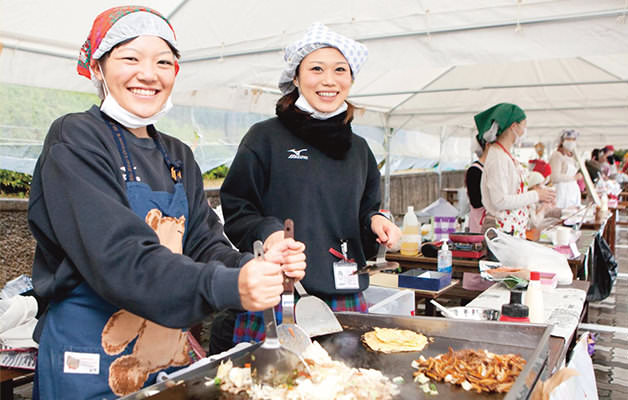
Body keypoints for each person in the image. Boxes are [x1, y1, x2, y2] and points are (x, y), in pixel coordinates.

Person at [27, 7, 306, 399]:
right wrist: (229, 285)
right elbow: (119, 257)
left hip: (164, 355)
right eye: (130, 58)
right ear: (97, 68)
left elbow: (204, 245)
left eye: (163, 62)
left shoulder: (175, 154)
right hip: (86, 357)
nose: (148, 73)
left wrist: (257, 268)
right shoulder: (76, 139)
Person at [219, 23, 401, 347]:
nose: (329, 80)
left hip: (345, 295)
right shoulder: (265, 138)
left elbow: (366, 209)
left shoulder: (359, 149)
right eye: (316, 68)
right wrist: (269, 233)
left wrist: (377, 221)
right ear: (296, 77)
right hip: (277, 295)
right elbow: (237, 208)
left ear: (351, 79)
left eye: (340, 70)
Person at [476, 103, 556, 238]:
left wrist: (539, 196)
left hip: (513, 229)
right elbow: (499, 201)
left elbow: (512, 194)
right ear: (514, 126)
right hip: (501, 230)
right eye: (524, 125)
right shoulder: (497, 157)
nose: (525, 130)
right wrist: (536, 195)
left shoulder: (506, 155)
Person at [549, 129, 582, 208]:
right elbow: (554, 177)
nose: (571, 141)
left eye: (573, 139)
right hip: (562, 192)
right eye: (568, 139)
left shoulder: (572, 156)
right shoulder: (557, 155)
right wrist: (573, 178)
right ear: (562, 141)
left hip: (572, 192)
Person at [466, 137, 489, 233]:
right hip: (479, 224)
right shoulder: (474, 171)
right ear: (487, 146)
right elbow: (476, 201)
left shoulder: (488, 168)